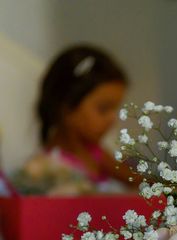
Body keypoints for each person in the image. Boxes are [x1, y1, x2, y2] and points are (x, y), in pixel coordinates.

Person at [20, 45, 136, 194]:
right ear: (66, 107)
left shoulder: (96, 153)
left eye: (115, 109)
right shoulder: (47, 168)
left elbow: (134, 179)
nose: (112, 119)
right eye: (103, 109)